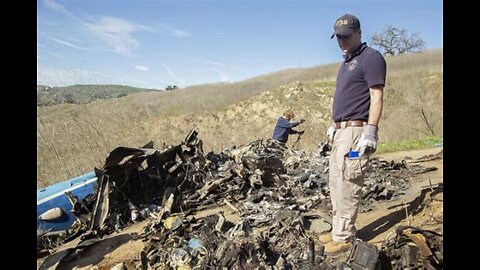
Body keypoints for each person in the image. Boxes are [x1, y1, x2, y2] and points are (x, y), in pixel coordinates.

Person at [320, 13, 387, 254]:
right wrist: (333, 123)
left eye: (346, 37)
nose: (342, 41)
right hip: (340, 131)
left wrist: (371, 130)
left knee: (349, 183)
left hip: (356, 131)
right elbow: (343, 97)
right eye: (338, 37)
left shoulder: (371, 58)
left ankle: (344, 237)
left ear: (358, 33)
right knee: (336, 184)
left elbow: (376, 95)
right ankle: (338, 230)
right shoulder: (346, 62)